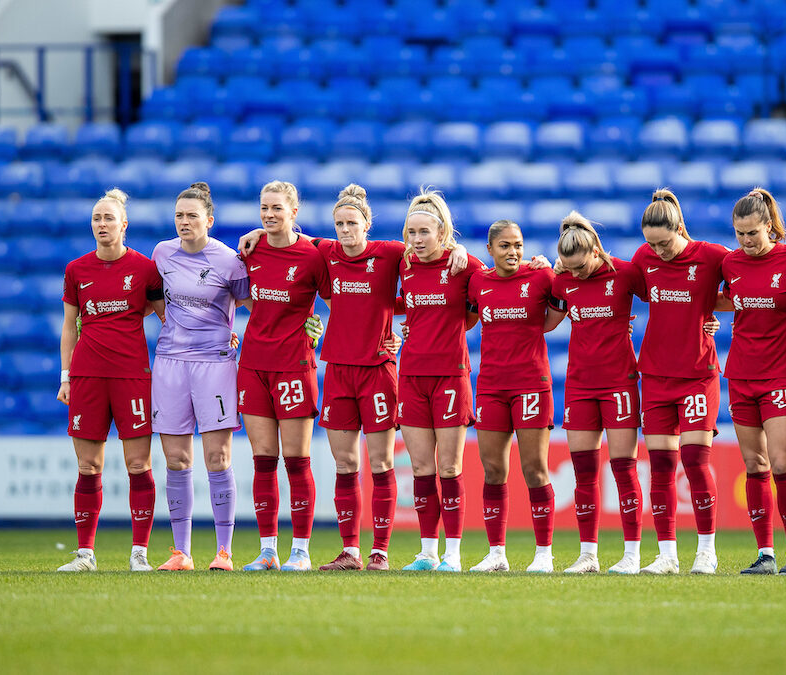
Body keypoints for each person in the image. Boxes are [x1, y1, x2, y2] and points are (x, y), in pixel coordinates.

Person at [238, 185, 469, 572]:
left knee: (380, 463)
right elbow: (291, 234)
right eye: (340, 224)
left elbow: (428, 270)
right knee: (345, 463)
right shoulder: (324, 252)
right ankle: (351, 551)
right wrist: (259, 233)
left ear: (368, 224)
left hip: (379, 370)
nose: (345, 230)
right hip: (339, 370)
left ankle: (380, 551)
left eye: (352, 223)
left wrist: (456, 251)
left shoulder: (393, 253)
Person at [56, 188, 165, 572]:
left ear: (124, 225)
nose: (102, 224)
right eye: (96, 219)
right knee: (88, 467)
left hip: (132, 375)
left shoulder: (145, 269)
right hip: (87, 375)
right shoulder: (76, 270)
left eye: (108, 218)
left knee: (138, 465)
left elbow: (166, 316)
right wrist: (66, 376)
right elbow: (70, 327)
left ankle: (140, 554)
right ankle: (85, 554)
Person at [151, 182, 249, 572]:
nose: (184, 222)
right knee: (176, 459)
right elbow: (155, 299)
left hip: (215, 365)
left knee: (218, 456)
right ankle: (181, 553)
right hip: (171, 363)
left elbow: (254, 307)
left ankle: (223, 551)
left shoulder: (229, 261)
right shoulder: (161, 254)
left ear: (209, 220)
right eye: (179, 215)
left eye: (192, 215)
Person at [631, 188, 729, 575]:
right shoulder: (644, 258)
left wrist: (711, 309)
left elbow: (752, 282)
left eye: (664, 242)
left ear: (679, 228)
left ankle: (707, 550)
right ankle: (667, 555)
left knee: (695, 461)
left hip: (697, 374)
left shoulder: (712, 256)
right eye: (651, 244)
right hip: (655, 373)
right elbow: (624, 286)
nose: (658, 251)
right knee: (660, 466)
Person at [239, 180, 330, 572]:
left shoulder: (312, 254)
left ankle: (301, 551)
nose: (269, 214)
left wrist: (320, 326)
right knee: (263, 461)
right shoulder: (250, 249)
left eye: (277, 208)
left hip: (294, 365)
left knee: (296, 461)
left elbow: (343, 298)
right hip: (254, 365)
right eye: (264, 208)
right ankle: (268, 551)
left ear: (294, 211)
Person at [718, 189, 786, 575]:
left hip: (781, 374)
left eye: (752, 233)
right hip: (740, 374)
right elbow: (718, 300)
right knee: (754, 464)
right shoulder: (730, 263)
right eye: (739, 233)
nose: (745, 241)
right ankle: (766, 554)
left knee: (782, 463)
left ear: (770, 227)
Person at [551, 211, 647, 574]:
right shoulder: (562, 281)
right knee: (584, 473)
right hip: (578, 384)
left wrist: (707, 321)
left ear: (595, 249)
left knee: (624, 469)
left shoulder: (625, 274)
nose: (574, 274)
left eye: (579, 267)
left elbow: (674, 301)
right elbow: (542, 317)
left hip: (619, 382)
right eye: (568, 268)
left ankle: (632, 554)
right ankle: (588, 555)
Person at [467, 220, 565, 573]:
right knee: (493, 470)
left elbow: (555, 317)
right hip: (491, 385)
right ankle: (496, 554)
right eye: (505, 246)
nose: (513, 252)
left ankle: (544, 554)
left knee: (535, 470)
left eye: (518, 245)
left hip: (531, 384)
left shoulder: (540, 278)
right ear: (490, 250)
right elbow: (462, 318)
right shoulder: (477, 281)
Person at [395, 189, 484, 572]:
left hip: (450, 374)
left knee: (449, 468)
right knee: (420, 469)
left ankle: (453, 553)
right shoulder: (404, 264)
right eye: (410, 232)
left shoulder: (464, 264)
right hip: (412, 373)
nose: (416, 240)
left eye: (424, 232)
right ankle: (428, 552)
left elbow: (494, 293)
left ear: (442, 231)